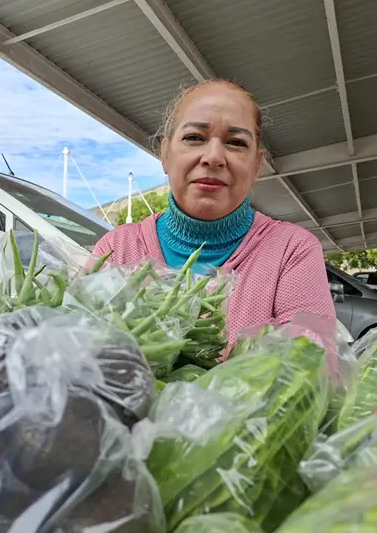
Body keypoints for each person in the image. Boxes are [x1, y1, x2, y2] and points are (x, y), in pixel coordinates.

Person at [92, 78, 336, 348]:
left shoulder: (291, 251)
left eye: (236, 142)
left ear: (256, 164)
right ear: (165, 154)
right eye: (194, 138)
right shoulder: (117, 249)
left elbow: (310, 365)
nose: (213, 157)